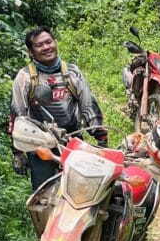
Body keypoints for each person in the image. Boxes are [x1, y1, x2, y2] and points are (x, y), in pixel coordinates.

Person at [9, 27, 107, 189]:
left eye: (49, 42)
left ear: (55, 43)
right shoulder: (25, 77)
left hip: (72, 141)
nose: (46, 47)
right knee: (43, 194)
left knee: (82, 190)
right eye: (39, 45)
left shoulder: (73, 73)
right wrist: (17, 152)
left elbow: (88, 105)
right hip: (39, 145)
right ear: (31, 52)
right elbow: (17, 115)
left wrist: (101, 139)